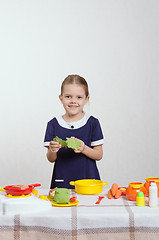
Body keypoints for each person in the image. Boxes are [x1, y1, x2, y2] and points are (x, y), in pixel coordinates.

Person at [44, 74, 104, 189]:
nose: (73, 101)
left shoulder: (92, 123)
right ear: (61, 98)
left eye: (79, 97)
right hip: (62, 181)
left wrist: (84, 148)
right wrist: (52, 150)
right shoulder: (53, 124)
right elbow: (51, 159)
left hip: (88, 181)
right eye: (68, 96)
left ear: (86, 99)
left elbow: (99, 155)